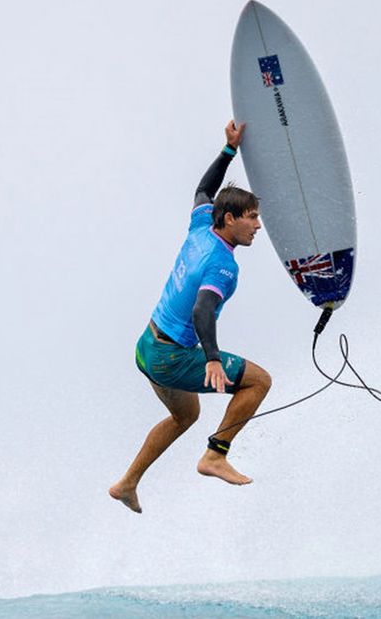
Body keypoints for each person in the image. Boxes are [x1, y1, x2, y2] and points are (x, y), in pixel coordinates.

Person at [108, 120, 272, 514]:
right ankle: (216, 455)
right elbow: (202, 309)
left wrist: (229, 150)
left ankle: (126, 484)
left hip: (147, 347)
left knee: (186, 414)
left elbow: (203, 190)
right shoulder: (223, 266)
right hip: (171, 357)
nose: (258, 225)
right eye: (251, 216)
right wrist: (213, 358)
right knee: (258, 382)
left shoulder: (202, 226)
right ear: (229, 219)